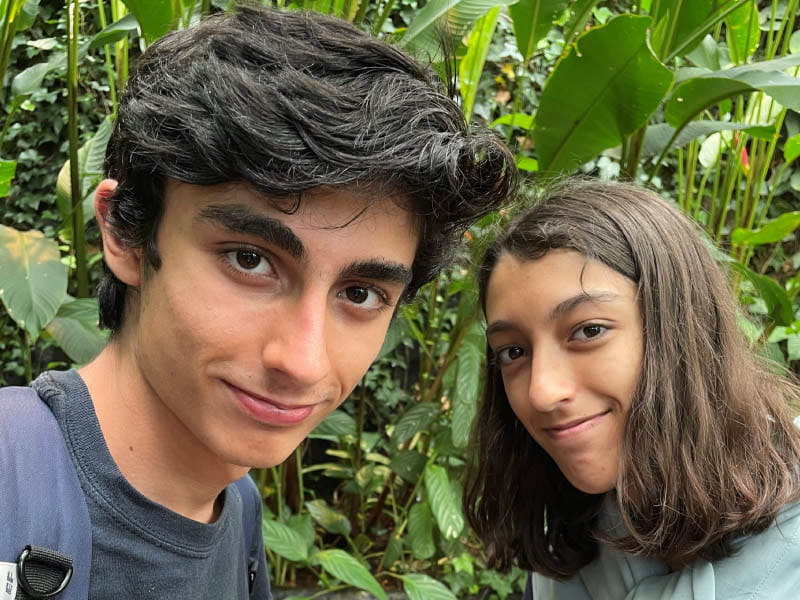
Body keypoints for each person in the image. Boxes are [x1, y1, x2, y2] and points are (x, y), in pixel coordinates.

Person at [0, 5, 516, 599]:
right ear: (125, 234)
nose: (302, 362)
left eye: (360, 293)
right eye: (250, 260)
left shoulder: (237, 506)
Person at [463, 179, 800, 598]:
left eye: (588, 330)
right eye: (513, 352)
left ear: (680, 328)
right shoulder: (567, 550)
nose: (541, 393)